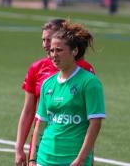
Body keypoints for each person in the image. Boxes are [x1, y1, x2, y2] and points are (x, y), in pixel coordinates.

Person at [15, 19, 95, 166]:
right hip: (44, 147)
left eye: (49, 39)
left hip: (72, 150)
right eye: (43, 40)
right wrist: (19, 147)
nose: (46, 44)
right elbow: (28, 112)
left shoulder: (84, 70)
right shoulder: (36, 68)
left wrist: (87, 156)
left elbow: (91, 120)